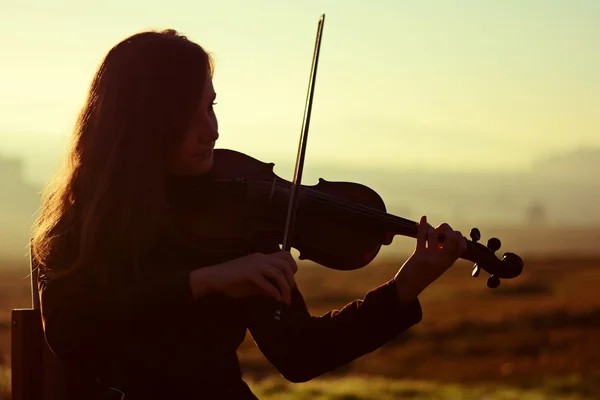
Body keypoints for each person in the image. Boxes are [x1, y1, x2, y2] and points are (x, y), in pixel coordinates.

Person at [32, 29, 467, 400]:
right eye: (194, 113)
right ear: (147, 120)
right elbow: (72, 328)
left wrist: (404, 287)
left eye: (212, 107)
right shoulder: (80, 223)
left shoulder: (240, 218)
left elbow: (302, 354)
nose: (213, 130)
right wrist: (205, 281)